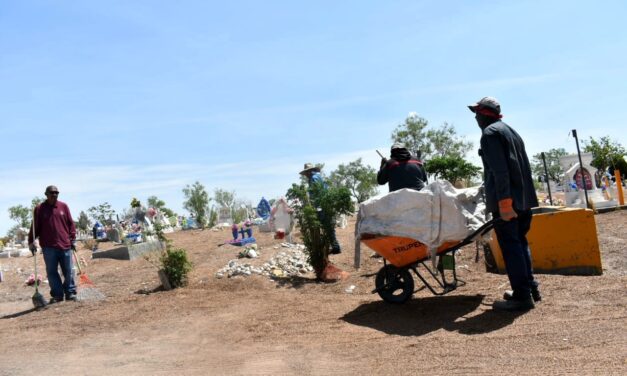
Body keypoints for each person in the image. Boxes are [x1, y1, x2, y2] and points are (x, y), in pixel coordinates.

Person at [469, 97, 540, 311]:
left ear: (484, 115)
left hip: (508, 202)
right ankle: (530, 289)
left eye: (477, 114)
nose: (475, 118)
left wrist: (505, 204)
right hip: (524, 199)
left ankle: (522, 296)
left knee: (511, 247)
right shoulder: (511, 131)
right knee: (520, 243)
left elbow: (500, 172)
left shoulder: (490, 135)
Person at [28, 185, 77, 303]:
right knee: (51, 272)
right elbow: (35, 227)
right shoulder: (39, 209)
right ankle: (57, 295)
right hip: (48, 247)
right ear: (46, 194)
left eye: (56, 193)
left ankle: (70, 292)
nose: (54, 195)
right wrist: (31, 242)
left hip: (65, 244)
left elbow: (71, 224)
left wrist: (73, 239)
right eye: (52, 193)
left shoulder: (63, 207)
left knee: (68, 270)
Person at [299, 163, 341, 254]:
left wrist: (316, 207)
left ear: (309, 172)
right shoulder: (318, 177)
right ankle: (334, 246)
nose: (305, 175)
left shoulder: (313, 179)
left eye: (306, 173)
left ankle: (335, 247)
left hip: (321, 206)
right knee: (328, 227)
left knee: (326, 226)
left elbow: (317, 194)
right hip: (325, 204)